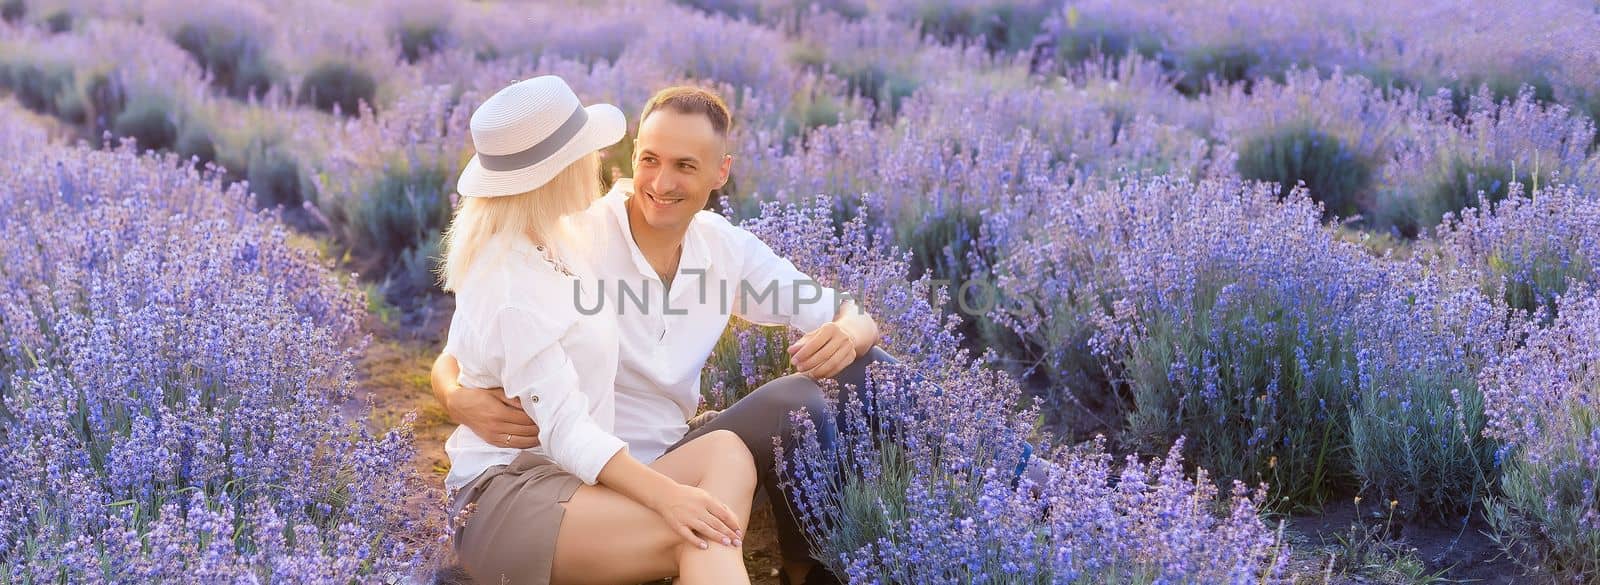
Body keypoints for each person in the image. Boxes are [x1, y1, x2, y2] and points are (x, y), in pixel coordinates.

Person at [433, 85, 884, 585]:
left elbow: (841, 308)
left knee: (851, 375)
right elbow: (474, 343)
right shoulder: (573, 236)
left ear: (721, 173)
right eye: (648, 159)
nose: (658, 180)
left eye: (685, 166)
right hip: (557, 471)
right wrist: (454, 395)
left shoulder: (714, 244)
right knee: (703, 531)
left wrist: (849, 330)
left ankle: (812, 566)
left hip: (649, 457)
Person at [438, 76, 756, 585]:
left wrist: (451, 390)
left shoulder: (562, 240)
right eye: (587, 152)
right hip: (509, 496)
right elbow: (564, 430)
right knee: (697, 530)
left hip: (577, 481)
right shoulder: (509, 281)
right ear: (556, 173)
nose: (601, 162)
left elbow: (457, 353)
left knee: (728, 454)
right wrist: (668, 497)